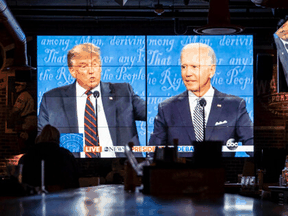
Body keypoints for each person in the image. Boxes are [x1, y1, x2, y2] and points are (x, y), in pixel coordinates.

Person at [38, 43, 146, 158]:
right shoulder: (52, 99)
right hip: (74, 167)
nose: (91, 71)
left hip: (122, 167)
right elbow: (41, 139)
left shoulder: (123, 92)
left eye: (95, 64)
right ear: (72, 71)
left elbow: (151, 114)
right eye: (84, 66)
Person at [149, 43, 253, 155]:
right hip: (181, 172)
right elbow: (154, 153)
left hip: (220, 172)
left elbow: (252, 146)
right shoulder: (167, 108)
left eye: (194, 67)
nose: (187, 73)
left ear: (211, 70)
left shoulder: (234, 106)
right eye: (184, 67)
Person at [19, 124, 80, 193]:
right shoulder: (67, 155)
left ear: (40, 137)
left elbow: (22, 183)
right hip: (62, 199)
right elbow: (74, 182)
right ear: (58, 138)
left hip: (34, 199)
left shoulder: (28, 155)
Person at [11, 81, 37, 152]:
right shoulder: (29, 95)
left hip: (26, 122)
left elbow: (16, 109)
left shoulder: (22, 96)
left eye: (18, 85)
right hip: (32, 120)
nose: (16, 87)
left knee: (23, 143)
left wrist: (10, 116)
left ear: (23, 85)